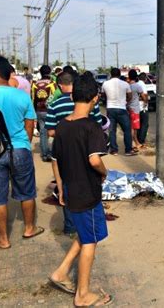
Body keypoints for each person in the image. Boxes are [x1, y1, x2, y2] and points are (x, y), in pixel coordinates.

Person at [49, 73, 112, 306]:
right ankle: (82, 295)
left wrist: (61, 187)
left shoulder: (62, 125)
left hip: (71, 190)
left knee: (85, 233)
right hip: (88, 193)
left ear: (73, 95)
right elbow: (95, 160)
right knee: (90, 241)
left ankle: (61, 271)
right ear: (95, 98)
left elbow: (55, 159)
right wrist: (105, 173)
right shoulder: (92, 128)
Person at [0, 56, 43, 249]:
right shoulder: (21, 95)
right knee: (27, 192)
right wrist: (24, 145)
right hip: (20, 149)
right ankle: (30, 228)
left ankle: (3, 239)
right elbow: (30, 125)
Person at [45, 68, 102, 236]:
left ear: (61, 85)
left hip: (64, 151)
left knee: (67, 184)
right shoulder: (91, 105)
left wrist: (66, 133)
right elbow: (98, 123)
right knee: (86, 184)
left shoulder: (54, 105)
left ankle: (70, 226)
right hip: (85, 150)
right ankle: (86, 227)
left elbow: (50, 131)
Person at [101, 68, 133, 156]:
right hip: (122, 108)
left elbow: (103, 95)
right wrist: (125, 102)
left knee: (112, 131)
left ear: (111, 74)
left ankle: (114, 150)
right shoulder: (125, 84)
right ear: (119, 74)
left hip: (110, 109)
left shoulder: (105, 83)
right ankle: (128, 150)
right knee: (127, 130)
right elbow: (130, 96)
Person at [31, 65, 56, 161]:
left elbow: (33, 99)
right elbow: (54, 97)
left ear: (40, 73)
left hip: (39, 111)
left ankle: (44, 154)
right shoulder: (52, 84)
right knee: (53, 132)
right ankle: (51, 153)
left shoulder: (35, 84)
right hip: (50, 111)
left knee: (42, 132)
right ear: (49, 72)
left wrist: (34, 111)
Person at [128, 69, 147, 152]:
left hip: (129, 108)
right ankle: (136, 143)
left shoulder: (127, 86)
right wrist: (145, 101)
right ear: (136, 77)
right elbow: (144, 96)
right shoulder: (137, 86)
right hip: (135, 109)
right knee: (134, 128)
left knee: (131, 127)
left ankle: (135, 142)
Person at [136, 72, 149, 147]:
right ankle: (141, 140)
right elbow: (145, 96)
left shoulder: (137, 84)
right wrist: (146, 102)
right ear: (145, 78)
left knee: (139, 124)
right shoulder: (143, 85)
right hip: (143, 107)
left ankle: (138, 138)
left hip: (137, 107)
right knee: (144, 124)